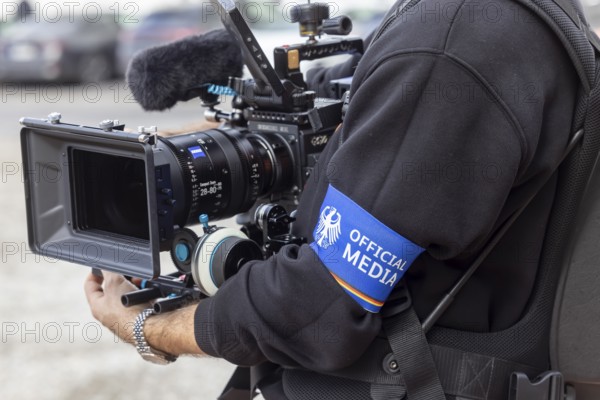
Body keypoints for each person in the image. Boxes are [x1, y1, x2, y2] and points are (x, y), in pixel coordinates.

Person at [85, 0, 581, 398]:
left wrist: (148, 327)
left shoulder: (448, 44)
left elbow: (315, 311)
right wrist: (210, 134)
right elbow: (359, 84)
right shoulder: (514, 18)